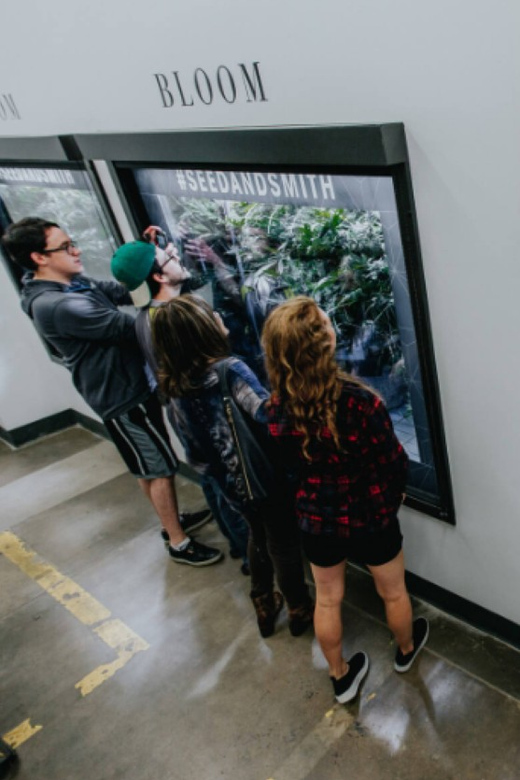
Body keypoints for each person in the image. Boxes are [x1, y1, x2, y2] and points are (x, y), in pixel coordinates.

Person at [2, 217, 221, 568]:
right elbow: (132, 325)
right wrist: (167, 283)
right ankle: (177, 541)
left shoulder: (71, 284)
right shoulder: (57, 305)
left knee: (148, 463)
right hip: (122, 397)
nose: (76, 250)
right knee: (159, 467)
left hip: (130, 387)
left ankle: (172, 523)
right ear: (39, 257)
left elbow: (122, 291)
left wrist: (147, 258)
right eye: (65, 247)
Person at [261, 296, 428, 703]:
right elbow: (392, 460)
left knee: (328, 598)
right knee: (393, 592)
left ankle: (339, 676)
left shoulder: (274, 409)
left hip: (317, 517)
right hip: (372, 514)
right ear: (325, 342)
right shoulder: (361, 401)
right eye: (325, 322)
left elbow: (288, 467)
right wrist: (394, 493)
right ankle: (406, 651)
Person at [152, 294, 314, 638]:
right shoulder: (230, 370)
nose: (219, 315)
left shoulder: (174, 386)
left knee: (258, 535)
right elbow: (264, 413)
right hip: (264, 479)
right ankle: (299, 608)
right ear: (203, 330)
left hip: (230, 486)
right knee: (284, 543)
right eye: (212, 314)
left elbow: (193, 448)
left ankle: (263, 602)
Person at [110, 230, 251, 573]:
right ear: (158, 276)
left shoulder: (148, 313)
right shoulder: (175, 320)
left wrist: (155, 245)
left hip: (182, 414)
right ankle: (253, 557)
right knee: (231, 485)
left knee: (211, 479)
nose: (177, 258)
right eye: (169, 259)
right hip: (207, 414)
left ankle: (238, 545)